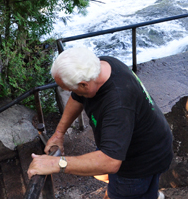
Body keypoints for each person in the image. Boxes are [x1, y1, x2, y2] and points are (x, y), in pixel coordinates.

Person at [27, 46, 173, 199]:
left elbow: (110, 161)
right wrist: (59, 133)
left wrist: (54, 164)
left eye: (72, 89)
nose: (71, 93)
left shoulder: (118, 104)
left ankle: (146, 193)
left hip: (140, 162)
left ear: (84, 84)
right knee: (101, 174)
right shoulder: (100, 66)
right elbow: (77, 98)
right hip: (131, 140)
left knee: (124, 189)